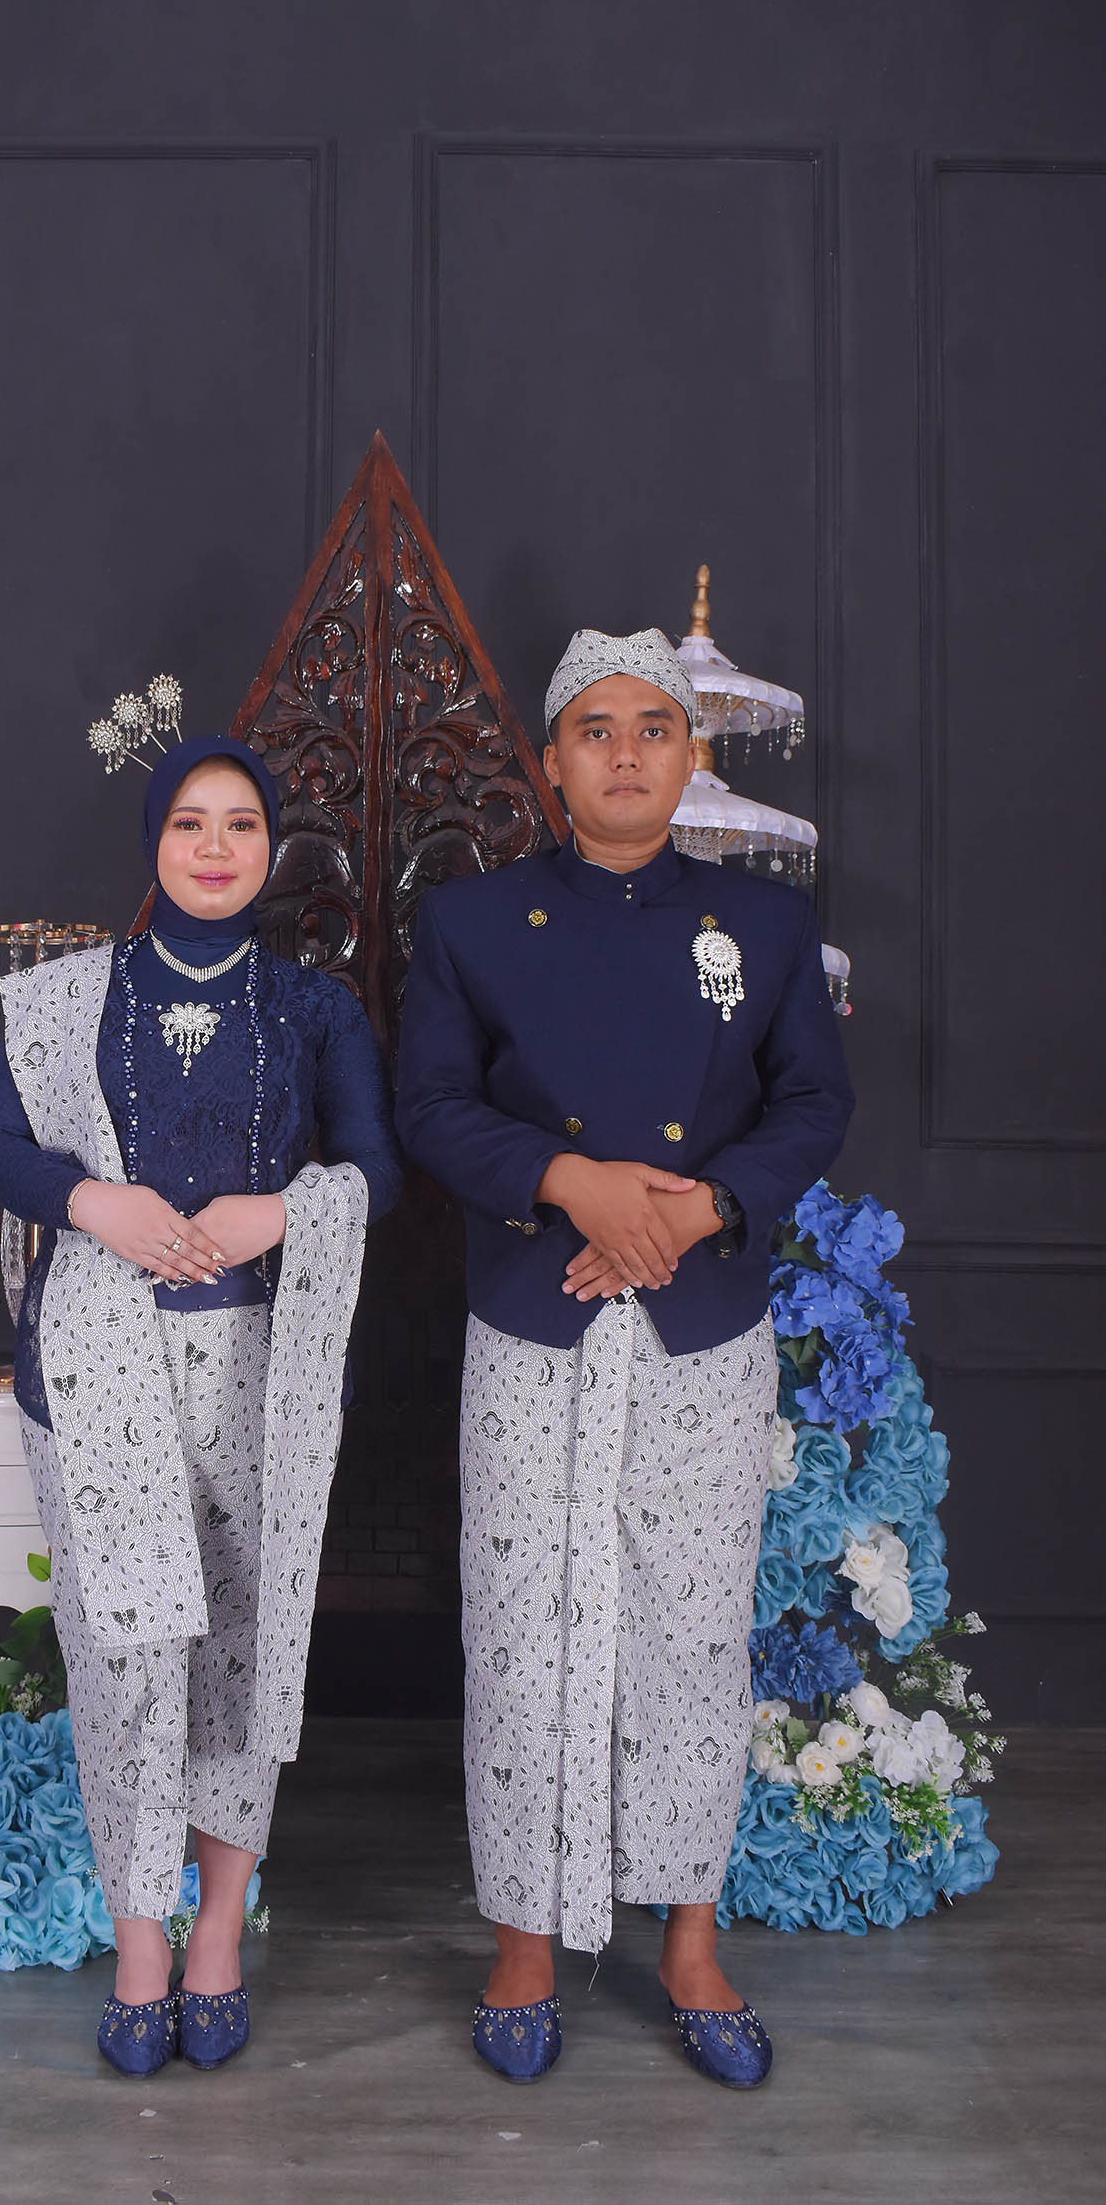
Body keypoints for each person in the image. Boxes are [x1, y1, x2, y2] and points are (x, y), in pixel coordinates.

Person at [395, 627, 853, 2088]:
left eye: (654, 727)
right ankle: (525, 1940)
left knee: (694, 1628)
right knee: (520, 1628)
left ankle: (691, 1941)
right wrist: (571, 1182)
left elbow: (813, 1102)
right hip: (536, 1312)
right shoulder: (471, 922)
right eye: (596, 730)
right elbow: (431, 1107)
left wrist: (696, 1209)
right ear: (553, 763)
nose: (627, 753)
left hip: (701, 1319)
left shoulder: (763, 924)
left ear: (689, 753)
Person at [0, 735, 401, 2077]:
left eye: (241, 824)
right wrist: (89, 1200)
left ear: (271, 850)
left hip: (258, 1367)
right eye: (189, 824)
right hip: (99, 1359)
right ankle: (139, 1942)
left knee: (238, 1655)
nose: (215, 847)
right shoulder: (69, 1001)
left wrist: (287, 1210)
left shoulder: (313, 1009)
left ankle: (217, 1933)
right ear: (154, 844)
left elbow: (377, 1170)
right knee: (125, 1660)